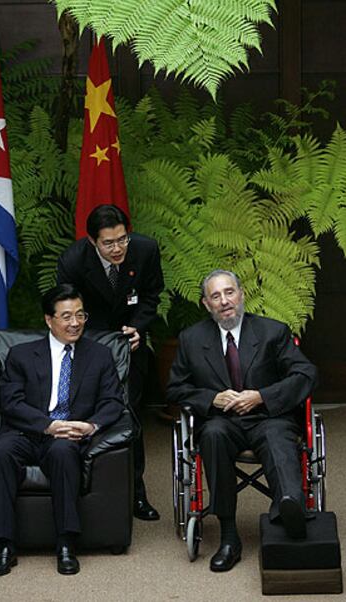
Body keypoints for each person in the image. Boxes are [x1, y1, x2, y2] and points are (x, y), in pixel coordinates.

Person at [167, 269, 317, 572]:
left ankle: (290, 508)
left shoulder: (273, 332)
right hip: (222, 422)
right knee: (213, 435)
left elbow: (306, 374)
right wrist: (211, 399)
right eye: (216, 296)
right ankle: (228, 536)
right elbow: (175, 389)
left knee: (277, 437)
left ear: (241, 294)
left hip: (268, 416)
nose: (225, 301)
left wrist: (261, 395)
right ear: (206, 304)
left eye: (229, 292)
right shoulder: (192, 339)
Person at [0, 284, 124, 576]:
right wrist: (48, 425)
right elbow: (11, 403)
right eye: (66, 316)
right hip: (26, 432)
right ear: (49, 320)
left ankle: (65, 544)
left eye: (80, 315)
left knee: (63, 452)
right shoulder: (21, 355)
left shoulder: (99, 355)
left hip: (70, 436)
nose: (75, 323)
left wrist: (90, 426)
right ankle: (4, 546)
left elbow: (113, 402)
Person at [57, 204, 164, 521]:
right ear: (92, 241)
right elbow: (67, 311)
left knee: (128, 416)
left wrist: (138, 328)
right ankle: (84, 491)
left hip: (130, 347)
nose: (117, 248)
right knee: (84, 413)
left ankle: (136, 494)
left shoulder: (145, 250)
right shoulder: (73, 261)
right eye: (109, 243)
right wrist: (94, 344)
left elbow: (151, 294)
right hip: (87, 346)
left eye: (122, 239)